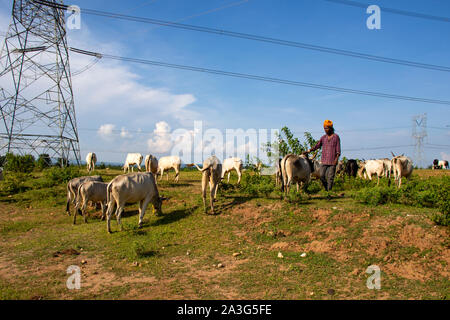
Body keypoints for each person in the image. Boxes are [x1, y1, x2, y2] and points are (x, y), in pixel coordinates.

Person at [304, 120, 341, 192]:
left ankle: (329, 192)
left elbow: (338, 150)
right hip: (324, 160)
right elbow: (317, 146)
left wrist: (336, 160)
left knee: (330, 177)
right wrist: (309, 150)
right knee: (321, 175)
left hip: (332, 161)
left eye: (327, 128)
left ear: (331, 128)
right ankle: (327, 189)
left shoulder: (336, 137)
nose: (325, 130)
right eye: (324, 128)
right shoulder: (323, 138)